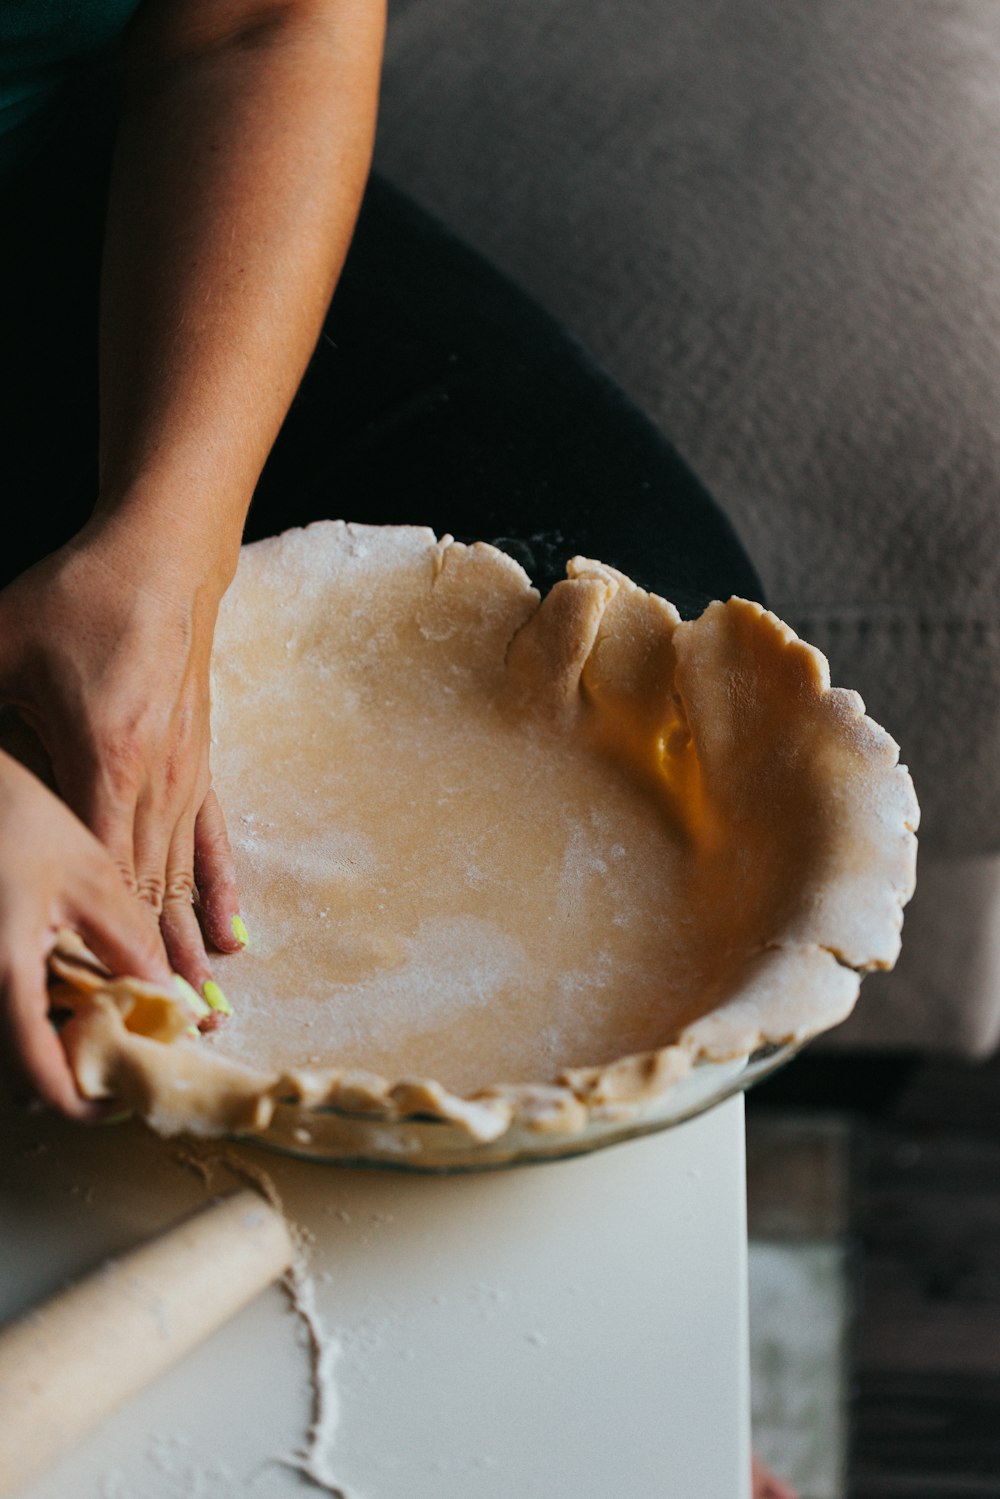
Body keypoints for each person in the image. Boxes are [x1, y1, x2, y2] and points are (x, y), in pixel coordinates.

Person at [0, 6, 785, 1491]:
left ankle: (598, 1385)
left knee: (639, 601)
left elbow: (256, 26)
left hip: (78, 151)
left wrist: (170, 551)